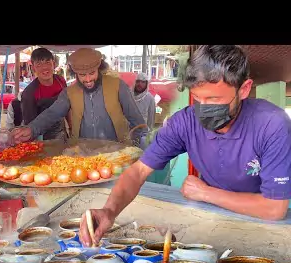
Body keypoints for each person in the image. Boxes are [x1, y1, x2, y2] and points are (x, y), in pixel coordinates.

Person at [78, 45, 291, 247]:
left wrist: (206, 193)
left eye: (214, 98)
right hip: (210, 221)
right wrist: (110, 211)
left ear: (243, 90)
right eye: (198, 99)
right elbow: (138, 171)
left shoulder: (272, 125)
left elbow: (274, 208)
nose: (204, 108)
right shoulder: (185, 122)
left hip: (262, 228)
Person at [13, 48, 145, 144]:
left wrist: (137, 146)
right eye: (82, 75)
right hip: (83, 155)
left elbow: (137, 121)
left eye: (92, 73)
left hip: (117, 153)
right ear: (75, 73)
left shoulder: (118, 86)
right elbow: (52, 113)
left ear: (99, 69)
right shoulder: (69, 92)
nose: (87, 79)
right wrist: (31, 129)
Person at [20, 47, 68, 140]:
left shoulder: (61, 81)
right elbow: (29, 126)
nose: (45, 68)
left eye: (48, 62)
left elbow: (68, 108)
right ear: (33, 68)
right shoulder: (29, 94)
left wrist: (70, 128)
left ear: (53, 64)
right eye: (39, 65)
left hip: (62, 134)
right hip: (42, 139)